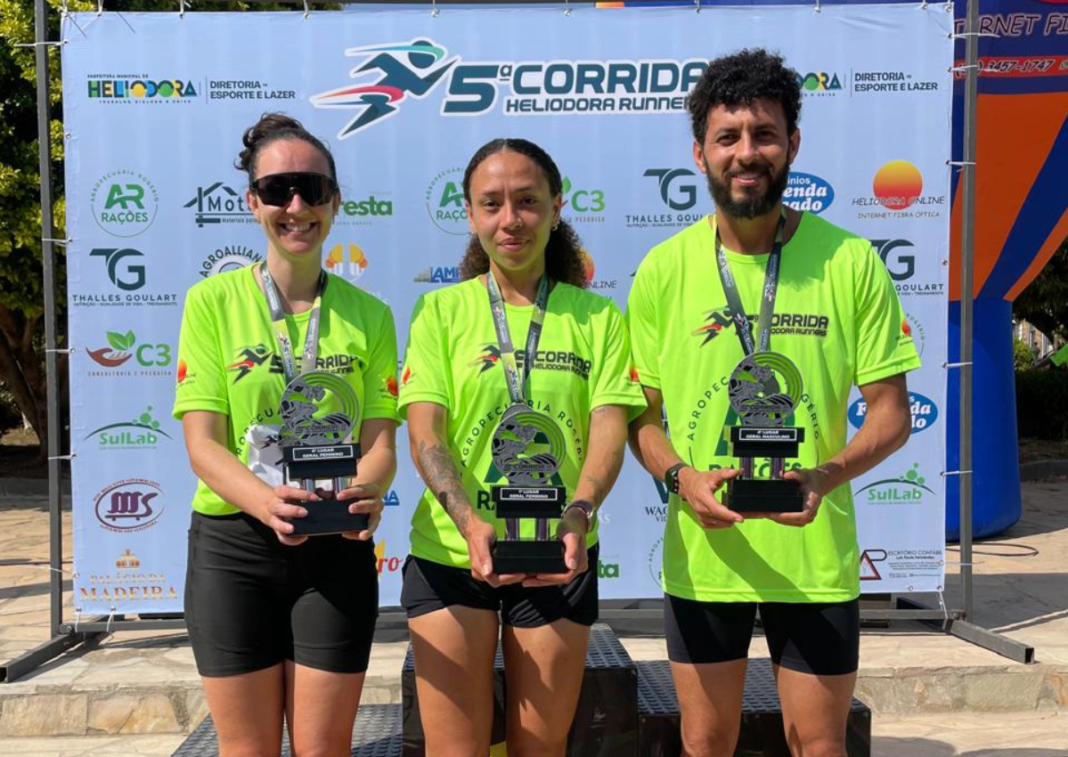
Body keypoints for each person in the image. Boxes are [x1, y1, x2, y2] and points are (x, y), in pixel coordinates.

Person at [626, 49, 919, 757]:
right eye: (728, 137)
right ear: (699, 153)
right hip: (706, 552)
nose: (746, 152)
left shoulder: (850, 261)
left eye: (764, 133)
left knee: (818, 745)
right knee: (706, 741)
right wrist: (680, 478)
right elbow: (641, 417)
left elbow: (892, 412)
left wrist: (823, 475)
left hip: (813, 553)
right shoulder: (664, 269)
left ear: (793, 144)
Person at [398, 137, 646, 757]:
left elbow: (608, 432)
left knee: (541, 750)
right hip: (453, 555)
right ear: (472, 214)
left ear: (557, 206)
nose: (510, 219)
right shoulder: (440, 312)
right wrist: (468, 520)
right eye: (493, 204)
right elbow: (425, 430)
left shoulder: (597, 318)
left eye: (528, 201)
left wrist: (578, 513)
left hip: (558, 552)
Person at [173, 113, 399, 757]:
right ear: (253, 202)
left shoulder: (371, 314)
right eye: (277, 190)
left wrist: (367, 488)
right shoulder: (210, 303)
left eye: (312, 189)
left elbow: (381, 440)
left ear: (334, 201)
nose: (295, 205)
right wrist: (266, 503)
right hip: (233, 552)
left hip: (333, 543)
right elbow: (204, 444)